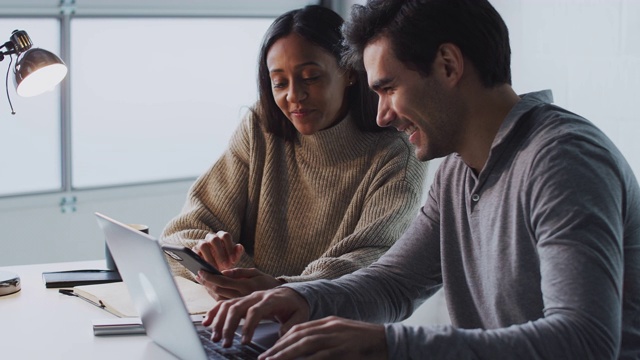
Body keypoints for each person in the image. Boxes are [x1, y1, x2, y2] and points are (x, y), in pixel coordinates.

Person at [202, 0, 640, 359]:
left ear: (448, 65)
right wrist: (302, 299)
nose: (381, 114)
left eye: (388, 88)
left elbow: (585, 341)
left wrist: (389, 344)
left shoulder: (563, 160)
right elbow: (395, 282)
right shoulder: (457, 170)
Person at [159, 5, 427, 301]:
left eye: (311, 77)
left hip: (330, 327)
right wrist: (209, 255)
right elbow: (179, 234)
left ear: (349, 72)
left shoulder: (396, 154)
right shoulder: (261, 126)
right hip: (247, 315)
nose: (293, 96)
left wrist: (277, 288)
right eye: (279, 83)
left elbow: (367, 263)